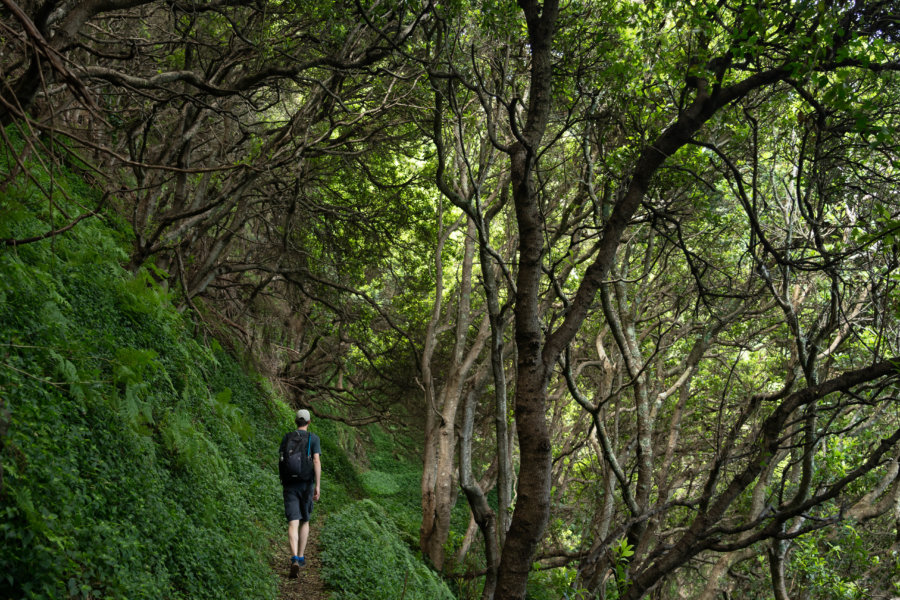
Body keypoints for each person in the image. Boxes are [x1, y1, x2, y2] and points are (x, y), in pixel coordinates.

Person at [279, 408, 321, 578]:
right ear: (309, 422)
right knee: (305, 521)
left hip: (290, 484)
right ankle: (301, 557)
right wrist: (317, 485)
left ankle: (294, 557)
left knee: (293, 523)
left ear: (296, 421)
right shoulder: (313, 438)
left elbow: (281, 460)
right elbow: (316, 461)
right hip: (306, 484)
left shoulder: (287, 437)